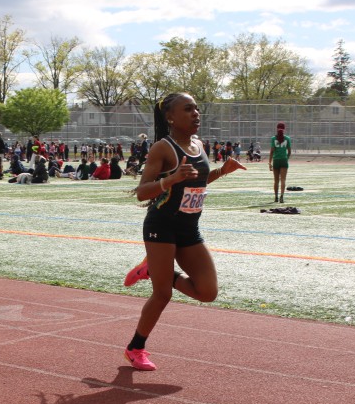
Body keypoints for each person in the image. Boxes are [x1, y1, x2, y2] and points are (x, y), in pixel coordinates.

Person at [120, 92, 244, 371]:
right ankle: (135, 348)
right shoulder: (162, 148)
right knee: (162, 294)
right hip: (161, 226)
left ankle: (153, 270)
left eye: (196, 108)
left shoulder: (198, 145)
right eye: (188, 109)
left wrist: (222, 171)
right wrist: (171, 179)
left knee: (208, 292)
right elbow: (142, 192)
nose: (196, 113)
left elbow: (197, 182)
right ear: (171, 117)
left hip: (189, 228)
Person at [269, 122, 291, 203]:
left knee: (276, 181)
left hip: (276, 160)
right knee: (283, 180)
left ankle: (276, 197)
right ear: (284, 129)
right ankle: (282, 196)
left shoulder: (273, 138)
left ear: (277, 128)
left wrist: (269, 162)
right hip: (284, 160)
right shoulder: (287, 138)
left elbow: (272, 151)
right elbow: (289, 152)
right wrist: (286, 159)